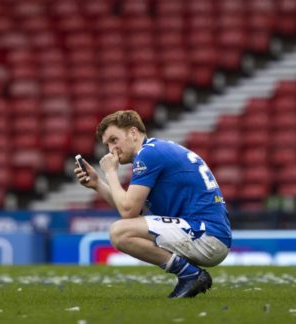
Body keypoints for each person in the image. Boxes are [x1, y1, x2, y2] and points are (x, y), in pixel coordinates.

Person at [74, 110, 232, 298]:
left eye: (114, 140)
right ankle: (189, 274)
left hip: (206, 234)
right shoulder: (154, 150)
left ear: (133, 133)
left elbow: (128, 211)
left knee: (119, 232)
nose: (111, 150)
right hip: (209, 232)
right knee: (123, 230)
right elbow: (134, 211)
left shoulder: (148, 155)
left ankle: (190, 274)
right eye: (107, 144)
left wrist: (110, 173)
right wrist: (97, 184)